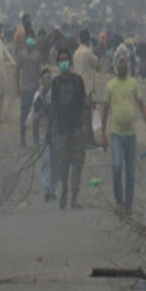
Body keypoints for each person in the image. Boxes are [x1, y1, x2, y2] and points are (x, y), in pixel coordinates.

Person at [101, 45, 146, 213]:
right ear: (116, 64)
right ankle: (118, 201)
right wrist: (103, 134)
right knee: (116, 167)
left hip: (131, 134)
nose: (123, 65)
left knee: (130, 171)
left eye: (125, 62)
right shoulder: (110, 86)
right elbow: (105, 110)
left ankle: (128, 204)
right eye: (120, 62)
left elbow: (142, 104)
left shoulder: (133, 84)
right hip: (116, 134)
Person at [47, 47, 88, 210]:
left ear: (70, 62)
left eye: (66, 59)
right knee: (63, 165)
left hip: (77, 129)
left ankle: (74, 197)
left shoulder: (78, 80)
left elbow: (84, 103)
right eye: (61, 60)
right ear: (58, 63)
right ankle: (64, 189)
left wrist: (86, 126)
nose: (63, 62)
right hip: (61, 130)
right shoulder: (55, 83)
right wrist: (49, 130)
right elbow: (53, 107)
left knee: (77, 165)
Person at [29, 67, 57, 201]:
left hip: (55, 132)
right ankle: (47, 189)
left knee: (56, 160)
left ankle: (53, 188)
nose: (47, 82)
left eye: (49, 79)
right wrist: (35, 140)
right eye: (44, 79)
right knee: (46, 161)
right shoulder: (38, 96)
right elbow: (34, 119)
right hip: (43, 132)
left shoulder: (55, 93)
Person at [16, 35, 42, 148]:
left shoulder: (33, 55)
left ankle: (33, 138)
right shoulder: (25, 55)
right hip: (27, 88)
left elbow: (38, 72)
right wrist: (18, 86)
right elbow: (17, 70)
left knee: (34, 114)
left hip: (32, 87)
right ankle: (24, 137)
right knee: (26, 113)